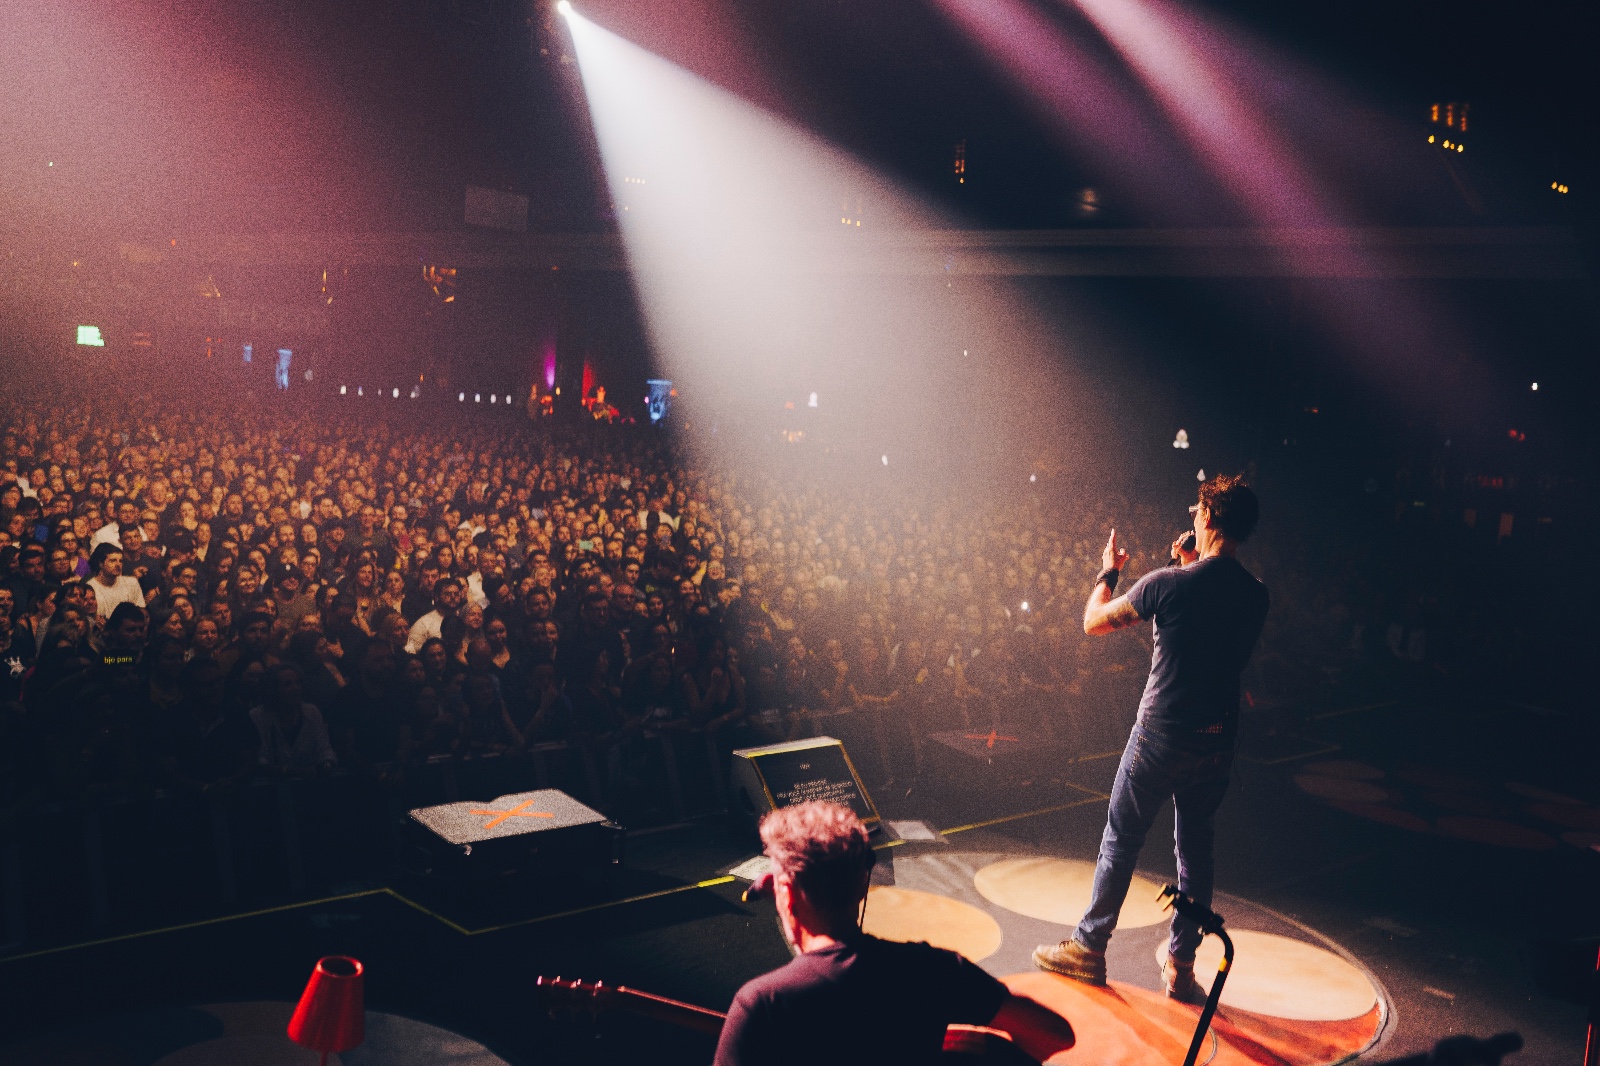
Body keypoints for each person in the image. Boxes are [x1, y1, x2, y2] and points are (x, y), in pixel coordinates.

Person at [1033, 475, 1268, 1000]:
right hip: (1216, 741)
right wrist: (1186, 566)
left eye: (1196, 513)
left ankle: (1090, 949)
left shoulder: (1167, 584)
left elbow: (1093, 622)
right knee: (1196, 853)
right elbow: (1209, 623)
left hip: (1160, 735)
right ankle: (1181, 969)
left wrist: (1110, 571)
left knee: (1122, 839)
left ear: (1207, 518)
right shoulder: (1256, 596)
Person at [715, 800, 1075, 1066]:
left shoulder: (762, 1003)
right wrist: (972, 1046)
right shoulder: (933, 970)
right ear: (863, 884)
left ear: (787, 894)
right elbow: (1055, 1033)